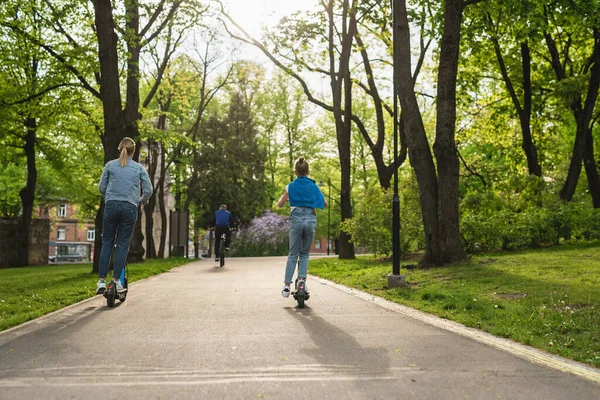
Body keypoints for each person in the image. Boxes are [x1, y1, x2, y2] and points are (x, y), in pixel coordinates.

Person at [96, 137, 153, 294]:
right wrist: (140, 200)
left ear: (119, 148)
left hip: (111, 206)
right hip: (129, 207)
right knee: (122, 244)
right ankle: (116, 282)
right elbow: (148, 190)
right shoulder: (139, 168)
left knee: (107, 242)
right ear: (133, 151)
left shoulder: (109, 165)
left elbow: (101, 187)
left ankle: (101, 281)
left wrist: (109, 196)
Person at [277, 157, 327, 298]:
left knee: (293, 254)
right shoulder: (313, 187)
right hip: (310, 220)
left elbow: (280, 204)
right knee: (304, 254)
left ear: (295, 172)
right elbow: (325, 203)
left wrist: (288, 199)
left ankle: (287, 286)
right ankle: (302, 281)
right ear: (308, 171)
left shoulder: (290, 186)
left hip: (296, 221)